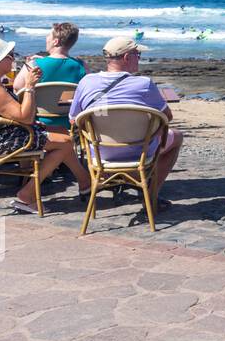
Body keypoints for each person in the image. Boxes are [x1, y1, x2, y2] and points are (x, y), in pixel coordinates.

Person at [0, 36, 91, 213]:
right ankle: (27, 195)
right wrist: (30, 85)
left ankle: (84, 181)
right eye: (10, 55)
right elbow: (26, 118)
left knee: (62, 132)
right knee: (65, 142)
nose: (14, 58)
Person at [68, 37, 183, 211]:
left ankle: (122, 178)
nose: (140, 58)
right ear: (127, 57)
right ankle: (151, 196)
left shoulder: (87, 82)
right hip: (140, 151)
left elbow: (73, 119)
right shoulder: (144, 84)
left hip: (100, 153)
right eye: (138, 54)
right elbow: (167, 117)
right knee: (177, 137)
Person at [12, 22, 87, 132]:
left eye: (48, 36)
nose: (46, 39)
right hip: (68, 123)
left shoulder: (34, 65)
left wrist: (33, 63)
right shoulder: (81, 66)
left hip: (38, 122)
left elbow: (17, 88)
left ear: (55, 41)